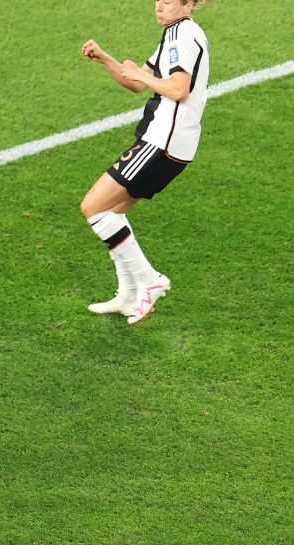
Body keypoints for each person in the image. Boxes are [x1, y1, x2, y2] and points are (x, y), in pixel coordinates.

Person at [79, 0, 211, 324]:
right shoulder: (173, 35)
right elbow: (138, 82)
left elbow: (178, 89)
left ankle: (150, 280)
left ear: (189, 4)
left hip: (162, 142)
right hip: (169, 143)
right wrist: (105, 59)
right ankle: (127, 295)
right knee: (113, 214)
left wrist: (141, 75)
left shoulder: (184, 36)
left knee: (93, 207)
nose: (159, 6)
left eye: (168, 1)